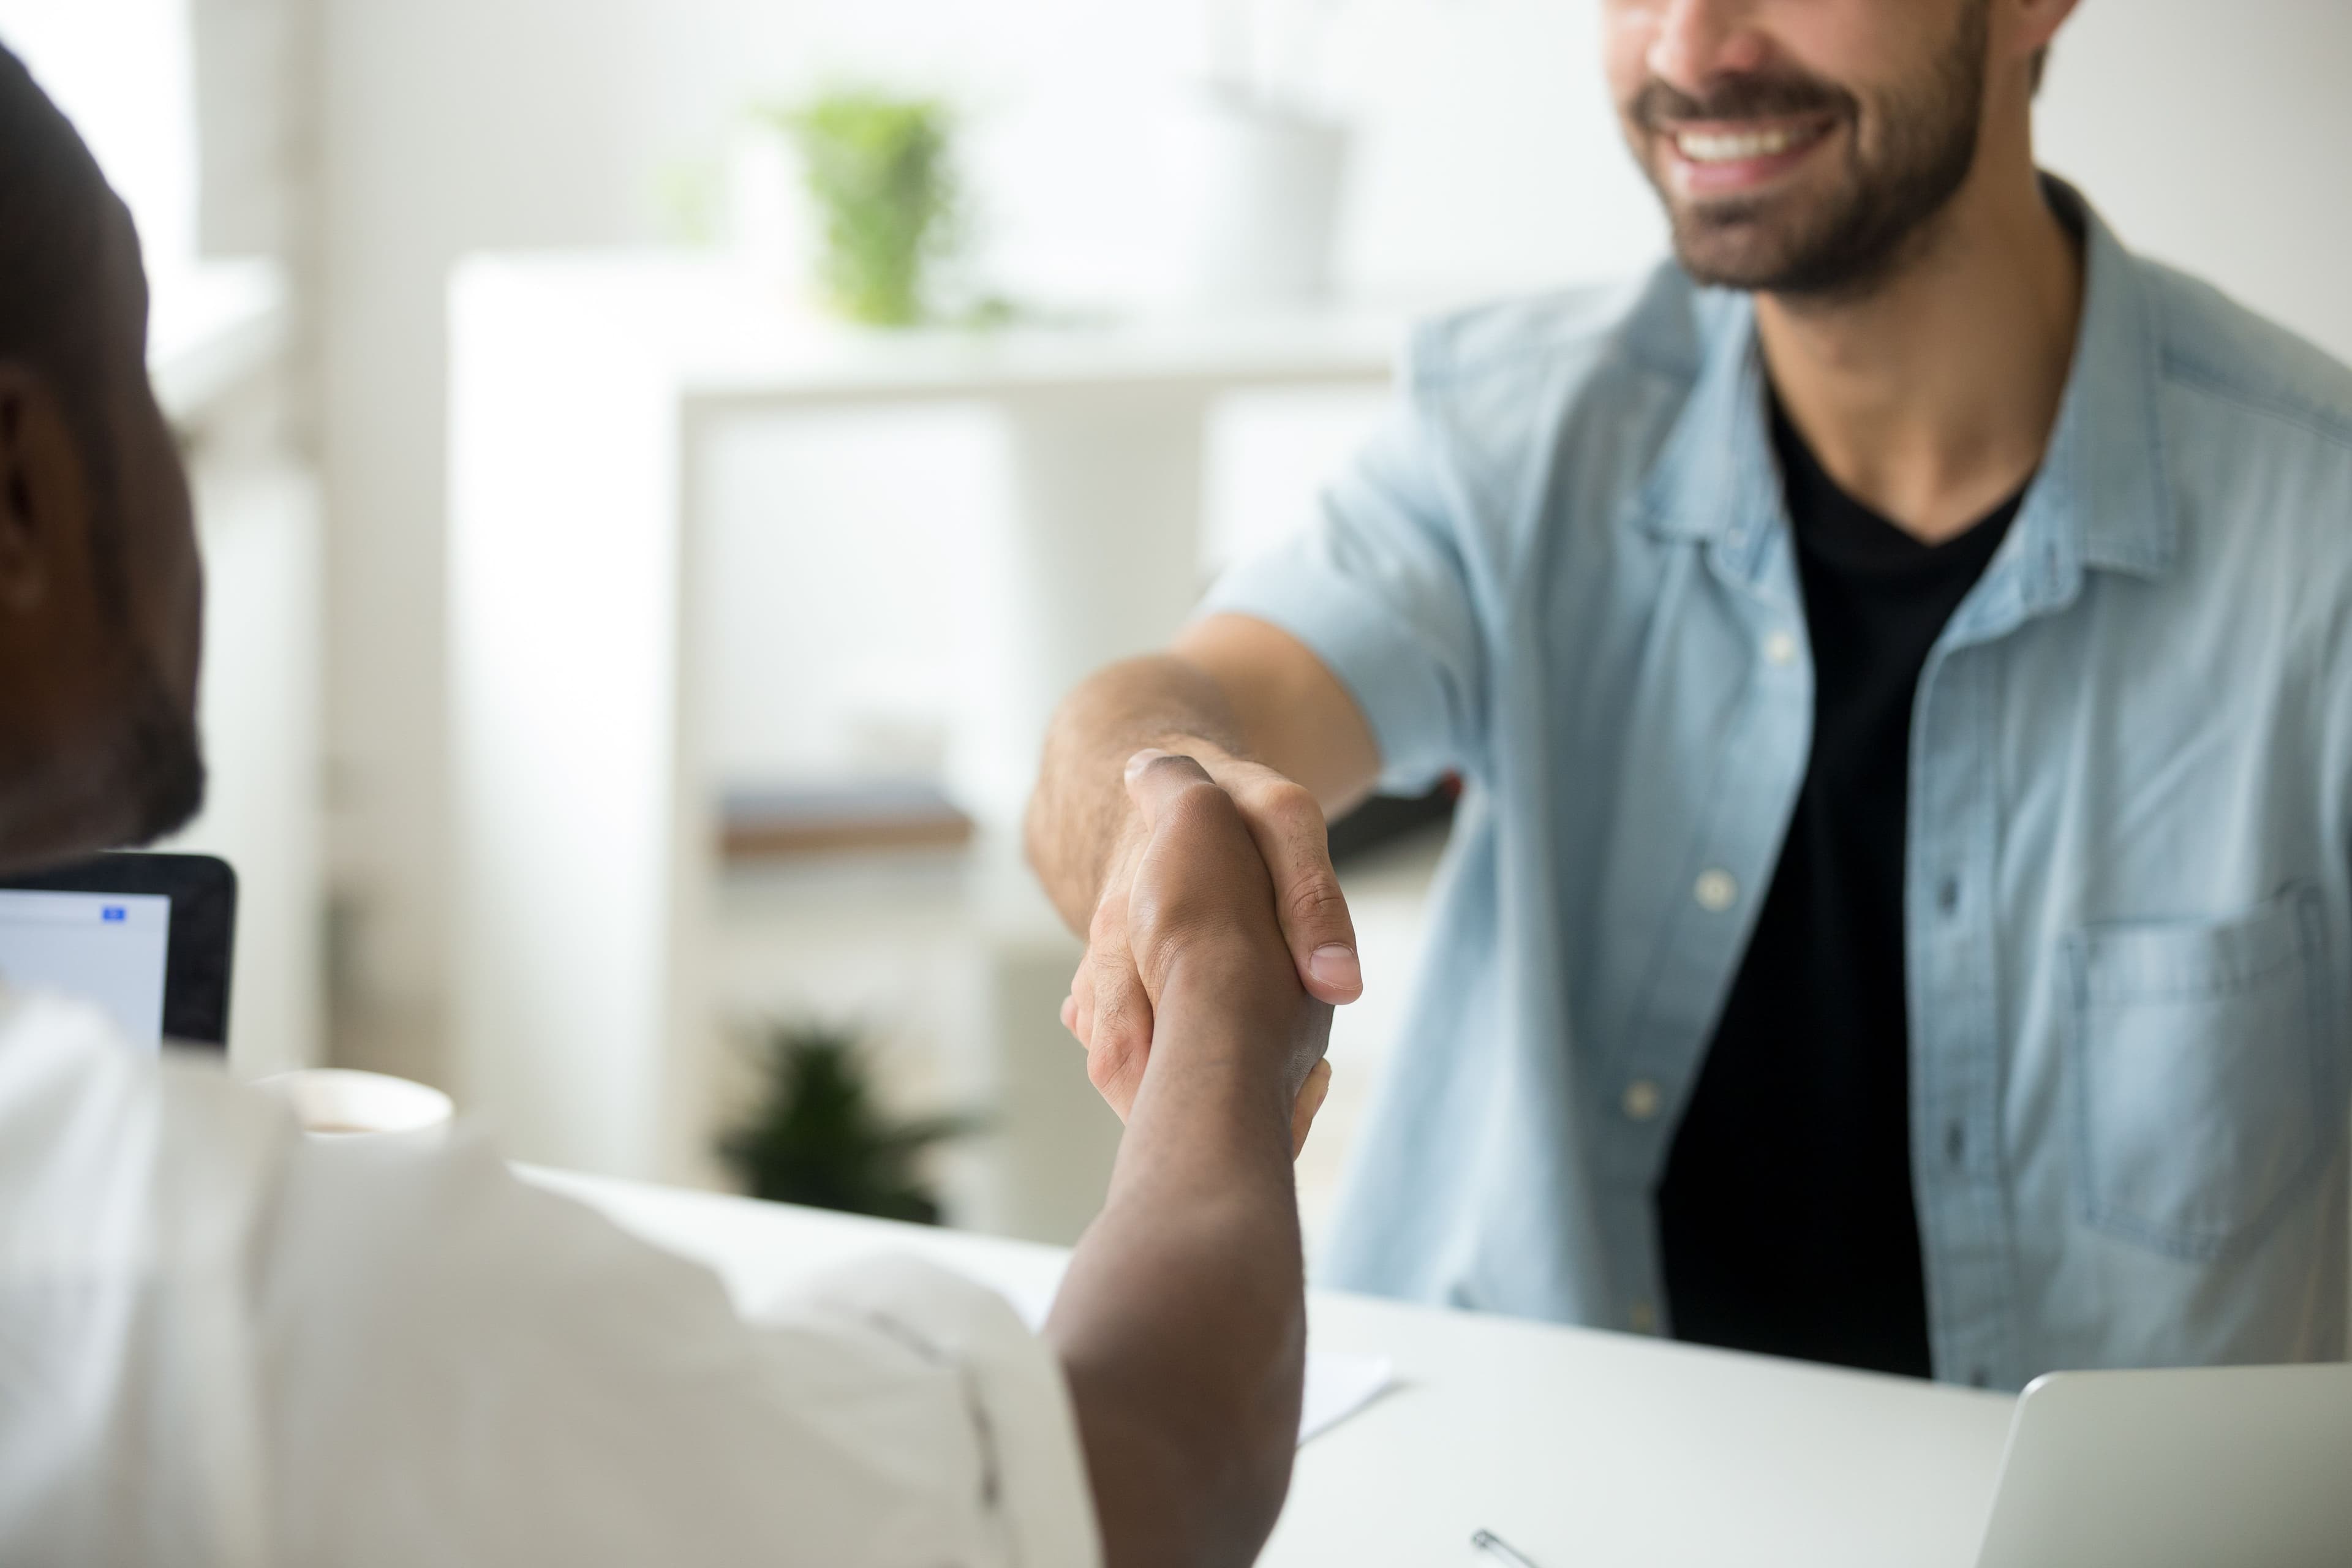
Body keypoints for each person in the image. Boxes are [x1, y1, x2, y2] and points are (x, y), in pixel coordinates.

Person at [0, 46, 1330, 1567]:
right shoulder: (230, 1290)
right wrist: (1231, 1010)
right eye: (145, 397)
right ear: (22, 493)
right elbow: (1142, 1471)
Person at [1031, 0, 2352, 1389]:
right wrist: (1167, 805)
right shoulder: (1519, 435)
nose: (1687, 48)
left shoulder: (2316, 540)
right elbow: (1175, 706)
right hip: (1518, 1495)